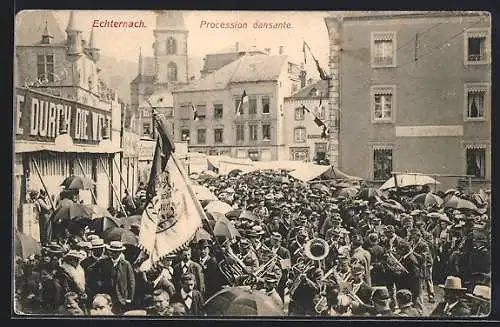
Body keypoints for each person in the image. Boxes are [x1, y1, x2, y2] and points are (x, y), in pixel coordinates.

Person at [92, 241, 136, 314]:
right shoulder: (103, 262)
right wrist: (98, 282)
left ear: (120, 252)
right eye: (111, 251)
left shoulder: (125, 264)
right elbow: (91, 270)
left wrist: (130, 298)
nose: (112, 254)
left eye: (115, 252)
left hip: (120, 297)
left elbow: (131, 281)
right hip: (106, 296)